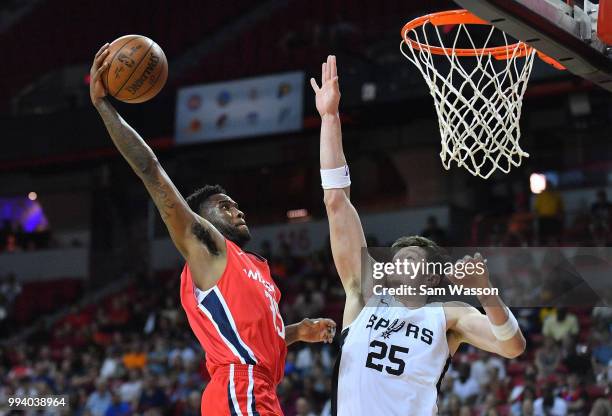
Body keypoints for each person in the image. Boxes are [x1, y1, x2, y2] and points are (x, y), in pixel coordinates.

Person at [89, 44, 336, 415]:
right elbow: (151, 170)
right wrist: (104, 106)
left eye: (236, 205)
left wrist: (298, 331)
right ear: (203, 218)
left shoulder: (255, 265)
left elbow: (250, 336)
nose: (237, 211)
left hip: (258, 389)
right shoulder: (208, 248)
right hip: (240, 387)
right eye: (225, 206)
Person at [311, 55, 526, 416]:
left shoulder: (448, 314)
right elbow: (335, 201)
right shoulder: (364, 294)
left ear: (429, 276)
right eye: (396, 260)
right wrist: (330, 118)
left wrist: (485, 292)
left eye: (410, 260)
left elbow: (513, 347)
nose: (398, 265)